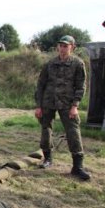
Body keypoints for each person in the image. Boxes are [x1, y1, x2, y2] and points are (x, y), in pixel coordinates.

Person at [34, 35, 91, 181]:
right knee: (46, 130)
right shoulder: (50, 64)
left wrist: (75, 106)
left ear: (72, 47)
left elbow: (81, 86)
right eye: (60, 45)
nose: (62, 48)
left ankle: (77, 167)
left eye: (66, 46)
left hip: (67, 103)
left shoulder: (77, 64)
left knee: (73, 131)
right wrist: (39, 105)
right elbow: (41, 85)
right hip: (48, 102)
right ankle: (47, 159)